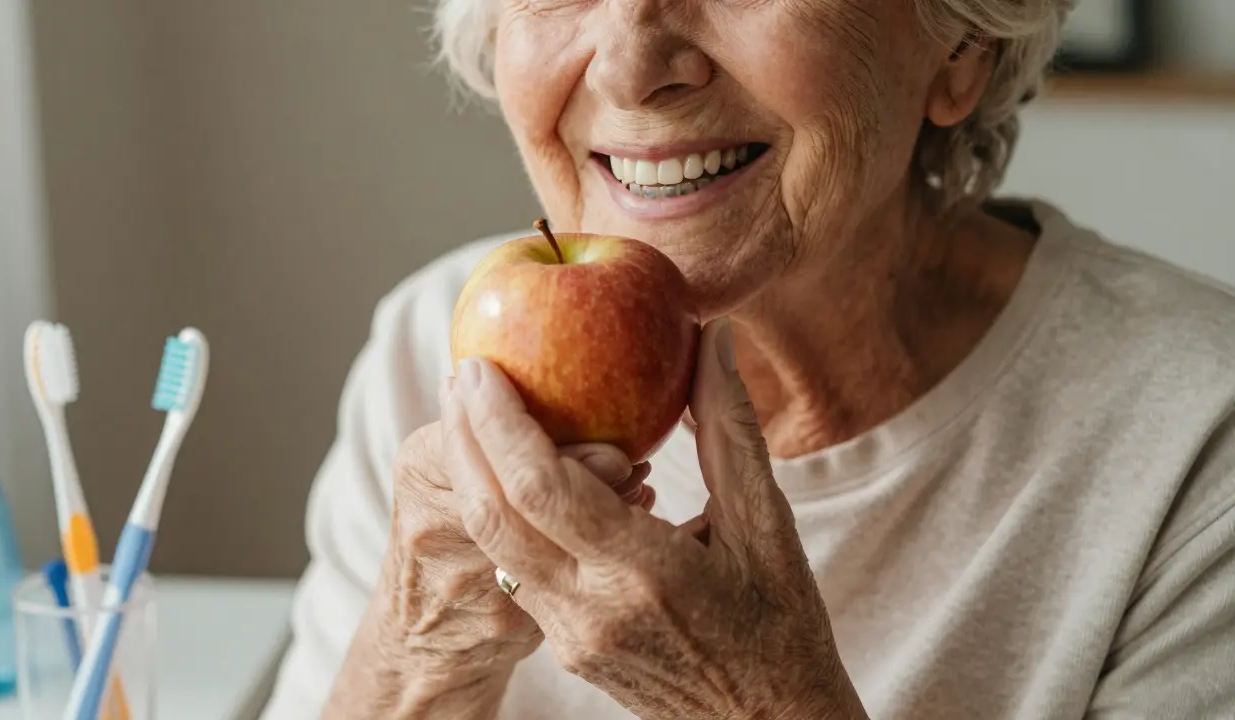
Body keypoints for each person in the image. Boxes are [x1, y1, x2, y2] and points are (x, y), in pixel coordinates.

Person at [260, 0, 1235, 717]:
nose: (631, 65)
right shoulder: (433, 346)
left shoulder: (1196, 447)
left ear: (962, 48)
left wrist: (758, 702)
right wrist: (419, 657)